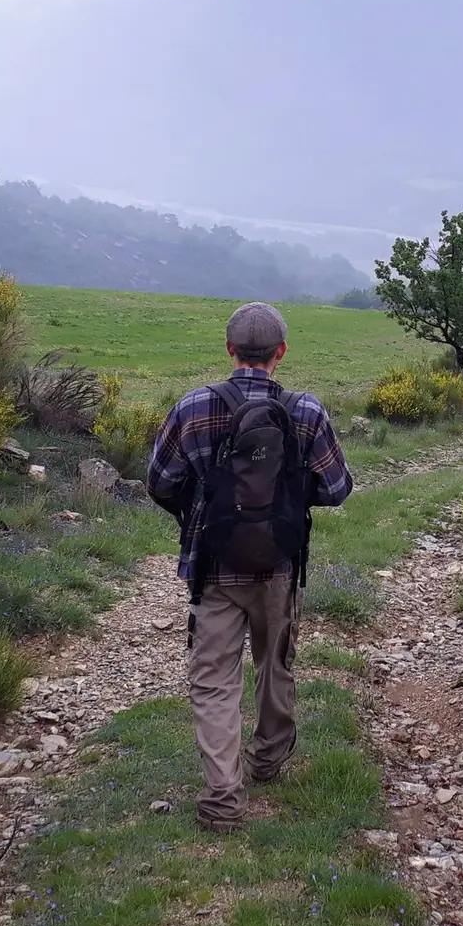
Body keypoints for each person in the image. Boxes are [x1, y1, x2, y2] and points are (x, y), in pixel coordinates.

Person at [146, 301, 353, 832]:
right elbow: (336, 490)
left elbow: (160, 481)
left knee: (214, 681)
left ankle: (222, 799)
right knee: (275, 664)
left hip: (213, 569)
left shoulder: (193, 407)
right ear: (281, 353)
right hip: (280, 567)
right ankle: (267, 760)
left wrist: (201, 512)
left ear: (229, 349)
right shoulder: (306, 410)